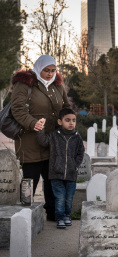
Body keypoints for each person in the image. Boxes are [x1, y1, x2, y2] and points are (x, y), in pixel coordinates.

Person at [11, 55, 70, 221]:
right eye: (46, 70)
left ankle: (53, 213)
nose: (50, 74)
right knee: (30, 178)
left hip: (52, 140)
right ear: (38, 68)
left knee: (52, 180)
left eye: (53, 70)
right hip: (30, 141)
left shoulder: (57, 85)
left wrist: (67, 124)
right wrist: (32, 123)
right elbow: (18, 109)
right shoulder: (25, 84)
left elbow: (65, 107)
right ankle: (24, 214)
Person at [36, 108, 85, 229]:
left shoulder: (77, 137)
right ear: (60, 121)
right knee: (60, 197)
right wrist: (40, 128)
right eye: (67, 120)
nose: (71, 123)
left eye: (73, 120)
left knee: (69, 198)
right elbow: (42, 141)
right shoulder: (54, 136)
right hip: (56, 174)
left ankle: (67, 215)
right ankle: (60, 218)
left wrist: (75, 165)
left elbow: (81, 153)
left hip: (71, 174)